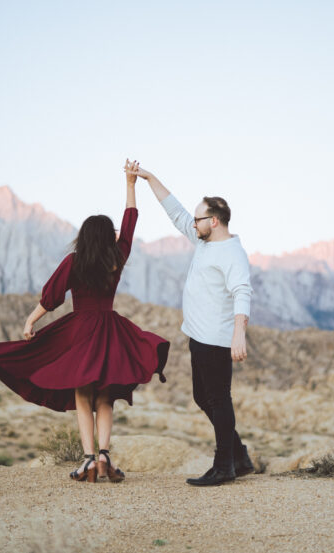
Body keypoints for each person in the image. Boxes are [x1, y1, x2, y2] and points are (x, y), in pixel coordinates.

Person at [0, 160, 169, 483]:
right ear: (105, 237)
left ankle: (87, 460)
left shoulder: (74, 261)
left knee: (83, 395)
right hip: (110, 331)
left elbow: (51, 298)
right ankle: (105, 456)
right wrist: (129, 185)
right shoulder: (117, 260)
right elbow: (130, 225)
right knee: (105, 397)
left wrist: (30, 322)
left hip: (80, 332)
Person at [128, 162, 254, 486]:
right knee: (203, 397)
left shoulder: (232, 253)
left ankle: (225, 465)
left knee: (218, 397)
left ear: (214, 221)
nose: (192, 223)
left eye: (199, 219)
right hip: (198, 336)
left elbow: (242, 291)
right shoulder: (204, 240)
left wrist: (239, 332)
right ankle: (238, 455)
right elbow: (176, 212)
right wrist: (149, 179)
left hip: (217, 338)